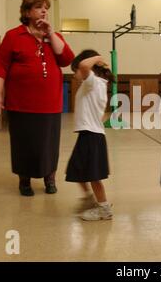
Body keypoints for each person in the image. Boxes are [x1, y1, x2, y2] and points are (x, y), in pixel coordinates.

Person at [0, 0, 74, 196]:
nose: (44, 10)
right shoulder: (13, 36)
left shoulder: (54, 36)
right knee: (23, 143)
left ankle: (50, 179)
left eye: (46, 7)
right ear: (27, 12)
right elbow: (0, 66)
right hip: (21, 104)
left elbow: (67, 59)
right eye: (38, 7)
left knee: (49, 144)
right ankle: (24, 181)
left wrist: (50, 34)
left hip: (50, 104)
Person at [65, 50, 113, 221]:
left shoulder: (94, 82)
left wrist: (97, 58)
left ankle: (104, 208)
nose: (75, 74)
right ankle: (89, 198)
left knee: (94, 177)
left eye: (75, 70)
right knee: (76, 169)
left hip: (92, 135)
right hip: (87, 134)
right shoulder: (93, 84)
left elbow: (84, 65)